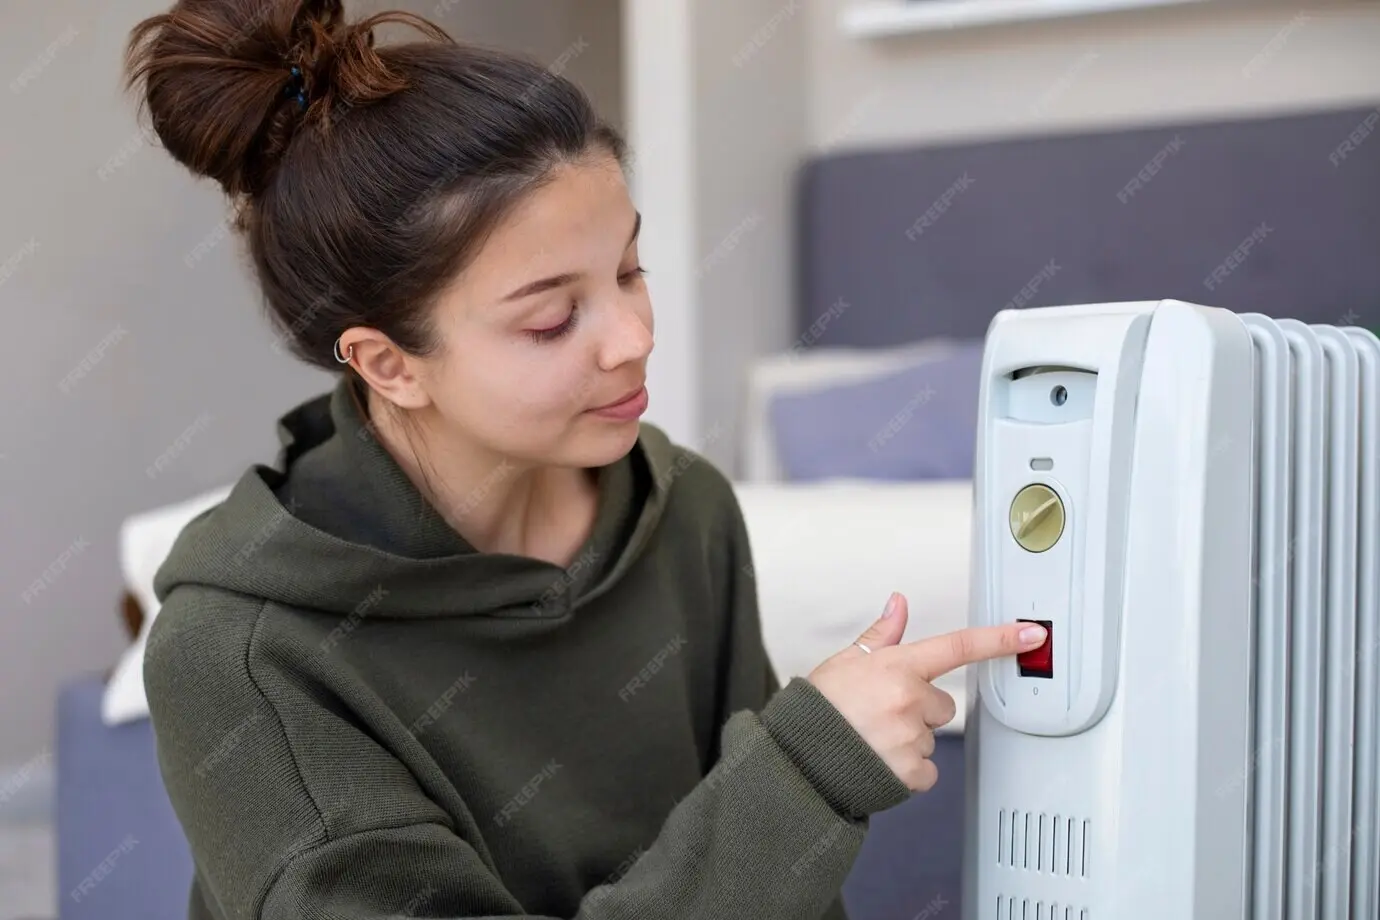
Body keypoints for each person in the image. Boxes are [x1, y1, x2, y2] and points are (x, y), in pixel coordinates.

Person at [123, 2, 1049, 918]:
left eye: (630, 271)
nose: (634, 337)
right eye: (552, 318)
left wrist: (795, 796)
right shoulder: (241, 656)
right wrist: (804, 775)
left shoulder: (685, 509)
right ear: (388, 364)